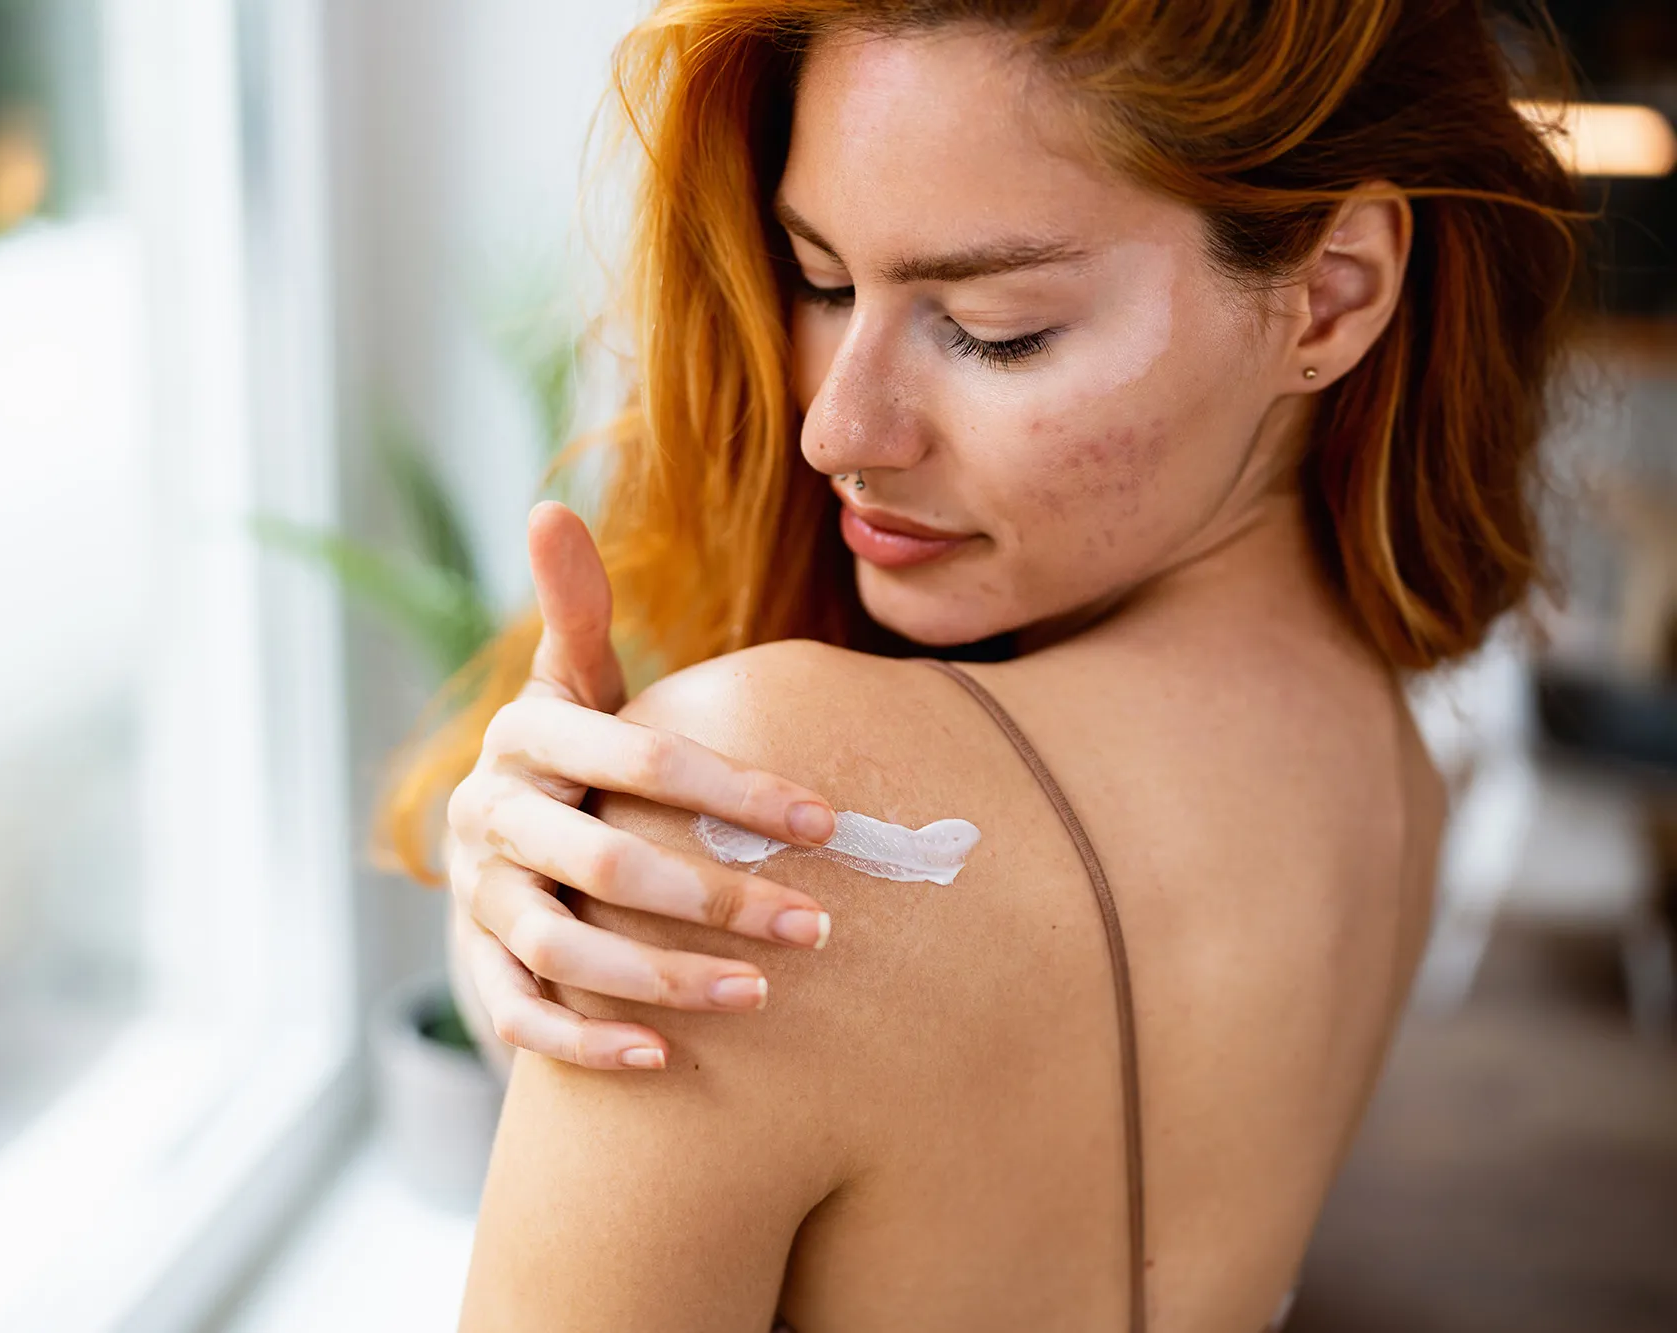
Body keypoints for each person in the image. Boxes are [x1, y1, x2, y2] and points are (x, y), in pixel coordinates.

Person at [383, 1, 1583, 1328]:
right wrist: (543, 941)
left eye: (995, 328)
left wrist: (615, 901)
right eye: (823, 282)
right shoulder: (1394, 769)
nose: (839, 429)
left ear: (1333, 293)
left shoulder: (780, 803)